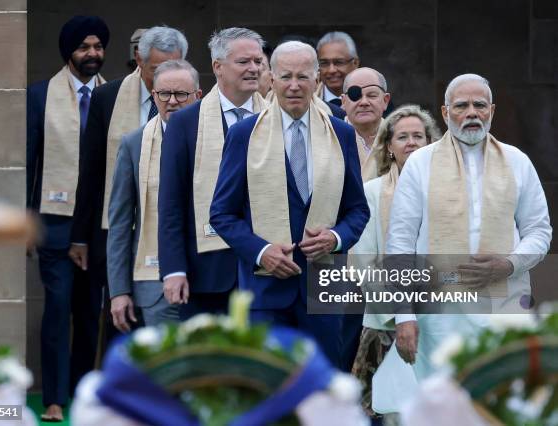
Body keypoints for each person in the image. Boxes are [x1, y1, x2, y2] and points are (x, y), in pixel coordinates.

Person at [209, 41, 370, 370]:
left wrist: (336, 238)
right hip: (265, 289)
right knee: (267, 392)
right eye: (285, 77)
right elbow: (221, 214)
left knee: (323, 395)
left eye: (302, 77)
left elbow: (358, 210)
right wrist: (261, 250)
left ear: (317, 80)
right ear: (270, 78)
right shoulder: (244, 134)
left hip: (323, 288)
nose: (294, 85)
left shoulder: (340, 133)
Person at [386, 74, 552, 380]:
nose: (472, 113)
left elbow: (539, 231)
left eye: (480, 105)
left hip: (505, 306)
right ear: (446, 112)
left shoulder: (518, 162)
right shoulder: (420, 163)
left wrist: (508, 264)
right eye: (462, 105)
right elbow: (400, 244)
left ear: (492, 110)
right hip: (439, 313)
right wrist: (403, 315)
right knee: (442, 405)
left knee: (501, 403)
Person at [69, 26, 187, 341]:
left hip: (177, 240)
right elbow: (91, 168)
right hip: (121, 225)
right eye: (155, 70)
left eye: (171, 68)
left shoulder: (197, 115)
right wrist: (80, 235)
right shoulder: (109, 97)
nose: (165, 80)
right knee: (120, 323)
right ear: (138, 59)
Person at [26, 15, 109, 422]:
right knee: (57, 309)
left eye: (97, 47)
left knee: (90, 312)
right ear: (69, 52)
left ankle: (81, 394)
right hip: (55, 224)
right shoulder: (40, 95)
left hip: (98, 227)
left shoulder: (114, 96)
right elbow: (27, 162)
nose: (92, 54)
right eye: (84, 47)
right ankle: (55, 397)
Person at [158, 27, 267, 319]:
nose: (254, 68)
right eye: (244, 62)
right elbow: (170, 203)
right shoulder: (185, 122)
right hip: (206, 272)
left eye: (259, 61)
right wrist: (174, 269)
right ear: (218, 67)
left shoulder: (275, 118)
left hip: (267, 271)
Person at [350, 105, 440, 418]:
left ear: (431, 142)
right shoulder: (371, 193)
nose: (412, 142)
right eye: (403, 137)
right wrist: (402, 313)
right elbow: (363, 264)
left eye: (419, 136)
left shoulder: (448, 193)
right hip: (384, 321)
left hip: (439, 317)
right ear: (389, 145)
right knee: (375, 409)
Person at [107, 60, 202, 333]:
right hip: (154, 284)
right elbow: (120, 222)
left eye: (181, 94)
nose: (171, 102)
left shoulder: (218, 138)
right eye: (163, 94)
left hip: (209, 280)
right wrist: (119, 291)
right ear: (154, 96)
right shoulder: (133, 143)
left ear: (198, 96)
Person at [340, 67, 391, 177]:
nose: (364, 102)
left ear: (385, 100)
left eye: (372, 95)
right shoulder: (331, 137)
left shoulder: (397, 137)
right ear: (343, 102)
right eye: (355, 96)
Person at [315, 31, 359, 107]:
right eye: (324, 63)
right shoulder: (308, 102)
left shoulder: (373, 100)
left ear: (355, 63)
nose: (331, 70)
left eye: (339, 62)